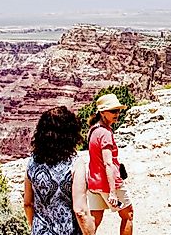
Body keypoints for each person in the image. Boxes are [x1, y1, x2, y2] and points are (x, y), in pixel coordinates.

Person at [24, 106, 96, 235]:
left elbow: (28, 204)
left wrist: (35, 227)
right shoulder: (75, 164)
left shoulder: (32, 163)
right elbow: (80, 211)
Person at [87, 94, 134, 235]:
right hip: (108, 184)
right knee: (128, 215)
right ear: (102, 112)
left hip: (94, 184)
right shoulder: (105, 134)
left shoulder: (93, 130)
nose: (117, 114)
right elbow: (108, 163)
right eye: (113, 111)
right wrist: (113, 192)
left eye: (118, 110)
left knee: (94, 219)